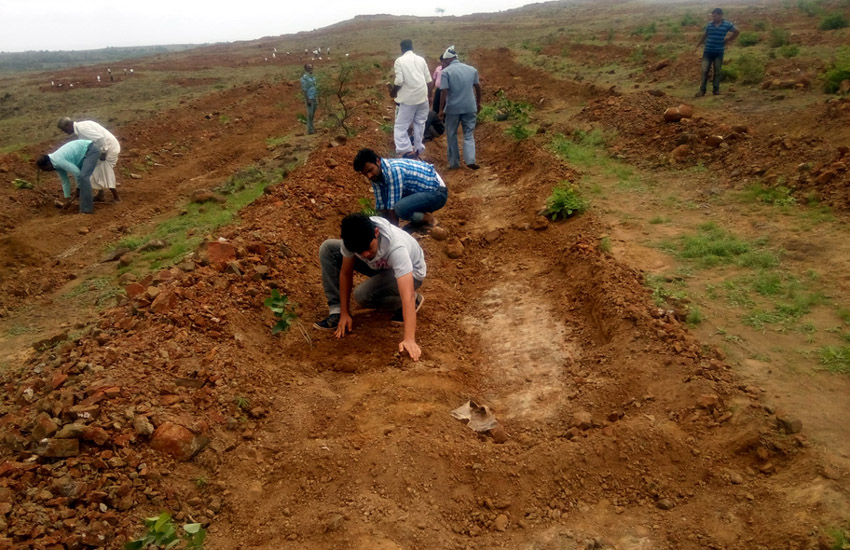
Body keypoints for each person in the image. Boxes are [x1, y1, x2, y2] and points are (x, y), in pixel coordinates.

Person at [314, 213, 426, 361]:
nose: (365, 253)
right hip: (380, 266)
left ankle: (408, 302)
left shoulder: (396, 247)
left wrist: (409, 339)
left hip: (412, 273)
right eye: (359, 251)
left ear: (376, 233)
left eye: (368, 247)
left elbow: (407, 294)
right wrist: (343, 313)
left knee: (362, 295)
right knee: (328, 248)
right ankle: (335, 312)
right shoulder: (352, 241)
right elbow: (345, 273)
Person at [353, 148, 447, 229]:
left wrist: (394, 232)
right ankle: (419, 220)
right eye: (365, 174)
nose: (369, 176)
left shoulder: (393, 170)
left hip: (437, 193)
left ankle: (428, 219)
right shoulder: (376, 176)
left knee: (400, 208)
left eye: (370, 170)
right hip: (422, 191)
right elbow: (381, 205)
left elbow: (392, 208)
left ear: (378, 161)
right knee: (394, 204)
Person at [437, 46, 482, 170]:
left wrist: (441, 110)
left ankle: (454, 163)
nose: (443, 64)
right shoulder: (471, 69)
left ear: (448, 60)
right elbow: (478, 88)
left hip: (453, 109)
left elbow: (444, 92)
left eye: (444, 61)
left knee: (451, 134)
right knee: (469, 134)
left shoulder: (446, 72)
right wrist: (478, 103)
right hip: (470, 107)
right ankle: (470, 160)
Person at [58, 117, 121, 202]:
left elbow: (100, 139)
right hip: (104, 148)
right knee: (94, 169)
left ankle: (116, 197)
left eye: (64, 130)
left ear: (67, 125)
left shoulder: (82, 128)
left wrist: (103, 152)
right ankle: (100, 194)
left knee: (105, 170)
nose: (65, 132)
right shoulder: (81, 127)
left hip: (109, 148)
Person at [389, 39, 433, 159]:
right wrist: (430, 97)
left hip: (409, 100)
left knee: (400, 127)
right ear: (412, 47)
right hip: (423, 97)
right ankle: (418, 148)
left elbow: (399, 81)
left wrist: (393, 92)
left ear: (402, 49)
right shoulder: (421, 60)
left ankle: (406, 152)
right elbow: (429, 81)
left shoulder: (399, 61)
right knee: (420, 123)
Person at [35, 139, 99, 214]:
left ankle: (87, 210)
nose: (47, 171)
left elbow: (76, 172)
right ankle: (85, 206)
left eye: (45, 169)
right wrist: (67, 199)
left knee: (83, 177)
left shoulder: (58, 160)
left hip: (90, 150)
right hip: (84, 153)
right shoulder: (55, 163)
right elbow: (65, 181)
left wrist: (78, 189)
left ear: (48, 164)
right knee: (82, 178)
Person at [696, 8, 739, 97]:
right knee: (704, 71)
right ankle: (702, 91)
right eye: (713, 16)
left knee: (717, 71)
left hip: (718, 52)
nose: (713, 18)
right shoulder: (709, 25)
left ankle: (716, 90)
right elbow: (705, 35)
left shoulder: (727, 24)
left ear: (720, 15)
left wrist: (728, 40)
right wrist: (698, 45)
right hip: (707, 51)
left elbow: (736, 31)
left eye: (715, 16)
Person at [301, 63, 318, 134]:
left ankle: (312, 128)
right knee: (310, 114)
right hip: (310, 98)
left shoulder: (313, 77)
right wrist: (307, 100)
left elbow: (316, 87)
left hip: (314, 97)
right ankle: (310, 130)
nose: (310, 69)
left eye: (311, 68)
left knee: (313, 114)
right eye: (308, 68)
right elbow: (304, 90)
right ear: (305, 69)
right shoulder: (304, 78)